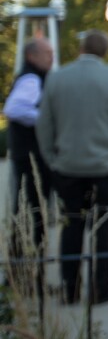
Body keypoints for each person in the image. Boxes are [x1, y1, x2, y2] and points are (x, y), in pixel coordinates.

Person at [35, 30, 108, 304]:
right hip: (105, 166)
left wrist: (51, 158)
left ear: (80, 48)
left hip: (66, 166)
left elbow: (44, 124)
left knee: (72, 226)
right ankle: (101, 288)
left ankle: (71, 288)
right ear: (104, 51)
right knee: (102, 229)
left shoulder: (57, 78)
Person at [3, 38, 55, 255]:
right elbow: (13, 109)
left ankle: (25, 266)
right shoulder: (32, 78)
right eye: (47, 53)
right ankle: (29, 271)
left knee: (28, 210)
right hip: (31, 157)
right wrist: (47, 119)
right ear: (32, 56)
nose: (51, 58)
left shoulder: (33, 76)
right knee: (32, 211)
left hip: (28, 155)